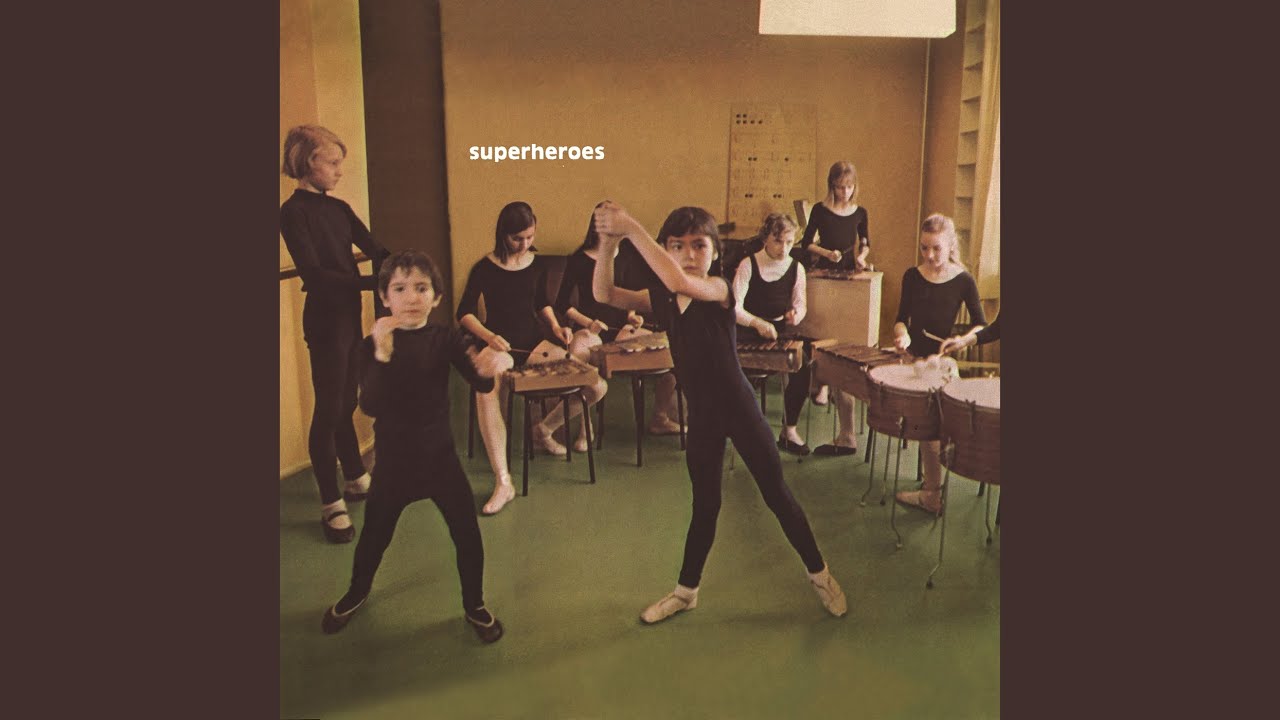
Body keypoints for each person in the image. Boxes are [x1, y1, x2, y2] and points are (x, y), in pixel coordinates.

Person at [592, 201, 847, 624]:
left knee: (777, 495)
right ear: (666, 249)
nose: (689, 255)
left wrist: (630, 226)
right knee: (705, 505)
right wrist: (606, 244)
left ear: (715, 252)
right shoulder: (664, 297)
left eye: (699, 245)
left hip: (739, 409)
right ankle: (686, 593)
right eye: (677, 246)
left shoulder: (719, 289)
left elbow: (677, 278)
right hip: (703, 416)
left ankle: (820, 575)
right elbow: (605, 294)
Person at [321, 250, 508, 643]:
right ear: (384, 296)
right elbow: (370, 405)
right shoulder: (368, 346)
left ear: (436, 297)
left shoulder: (445, 339)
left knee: (466, 533)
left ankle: (474, 605)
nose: (411, 297)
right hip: (394, 465)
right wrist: (382, 353)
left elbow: (480, 383)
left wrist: (489, 369)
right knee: (374, 536)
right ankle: (357, 591)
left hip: (440, 460)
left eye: (422, 288)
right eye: (400, 288)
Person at [280, 125, 389, 543]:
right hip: (325, 321)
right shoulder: (293, 213)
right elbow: (315, 274)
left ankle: (356, 477)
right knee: (328, 409)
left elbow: (375, 249)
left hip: (348, 315)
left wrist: (400, 265)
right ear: (310, 163)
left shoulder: (339, 209)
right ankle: (331, 503)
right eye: (333, 162)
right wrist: (372, 283)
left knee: (347, 401)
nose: (340, 171)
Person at [456, 202, 586, 515]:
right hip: (500, 344)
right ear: (503, 235)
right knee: (487, 387)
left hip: (533, 341)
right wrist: (488, 337)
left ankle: (542, 430)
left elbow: (542, 303)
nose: (524, 244)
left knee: (593, 385)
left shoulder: (537, 265)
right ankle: (503, 481)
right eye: (517, 238)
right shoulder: (484, 267)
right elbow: (464, 313)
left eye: (529, 237)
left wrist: (556, 327)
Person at [891, 214, 986, 515]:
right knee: (923, 423)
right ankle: (931, 487)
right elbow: (900, 319)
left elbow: (981, 325)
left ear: (950, 246)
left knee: (931, 424)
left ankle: (932, 493)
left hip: (941, 363)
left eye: (936, 249)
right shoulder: (911, 276)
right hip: (912, 360)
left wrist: (962, 340)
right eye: (924, 248)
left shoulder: (963, 280)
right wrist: (902, 335)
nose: (929, 256)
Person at [797, 161, 871, 455]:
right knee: (821, 332)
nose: (844, 192)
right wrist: (826, 252)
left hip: (849, 276)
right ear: (832, 186)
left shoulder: (860, 212)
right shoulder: (820, 210)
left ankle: (831, 384)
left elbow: (865, 242)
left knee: (843, 339)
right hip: (825, 274)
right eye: (840, 187)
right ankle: (823, 383)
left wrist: (862, 257)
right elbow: (806, 243)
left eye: (849, 187)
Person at [732, 213, 813, 455]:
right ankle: (741, 430)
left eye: (789, 242)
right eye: (778, 241)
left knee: (804, 367)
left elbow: (801, 305)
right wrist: (757, 323)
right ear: (765, 238)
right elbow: (734, 308)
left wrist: (796, 315)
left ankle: (789, 431)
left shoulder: (797, 268)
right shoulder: (748, 264)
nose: (784, 248)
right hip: (746, 331)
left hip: (778, 333)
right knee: (740, 376)